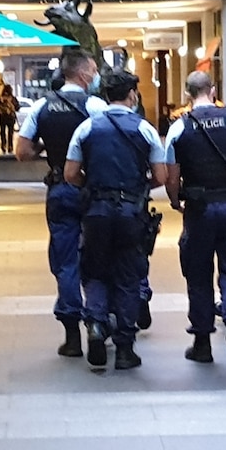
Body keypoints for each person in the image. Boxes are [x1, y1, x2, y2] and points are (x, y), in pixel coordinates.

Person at [64, 68, 166, 370]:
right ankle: (124, 347)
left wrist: (94, 186)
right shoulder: (145, 129)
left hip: (96, 211)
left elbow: (70, 174)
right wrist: (137, 188)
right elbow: (160, 175)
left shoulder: (86, 128)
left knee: (94, 270)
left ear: (104, 94)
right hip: (131, 212)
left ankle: (95, 324)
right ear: (132, 94)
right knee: (127, 276)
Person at [164, 70, 226, 373]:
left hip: (199, 209)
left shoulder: (179, 127)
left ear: (187, 93)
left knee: (198, 275)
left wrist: (176, 200)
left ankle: (203, 344)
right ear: (214, 89)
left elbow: (172, 175)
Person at [16, 48, 107, 358]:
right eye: (93, 71)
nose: (96, 76)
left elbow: (22, 151)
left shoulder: (41, 107)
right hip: (92, 189)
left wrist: (46, 147)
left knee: (65, 261)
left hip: (59, 189)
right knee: (98, 257)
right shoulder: (97, 106)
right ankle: (97, 321)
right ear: (82, 74)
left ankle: (71, 336)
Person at [0, 83, 20, 154]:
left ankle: (3, 145)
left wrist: (0, 109)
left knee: (2, 132)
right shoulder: (13, 98)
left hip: (3, 118)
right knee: (10, 133)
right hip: (11, 118)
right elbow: (17, 108)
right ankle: (10, 146)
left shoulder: (0, 98)